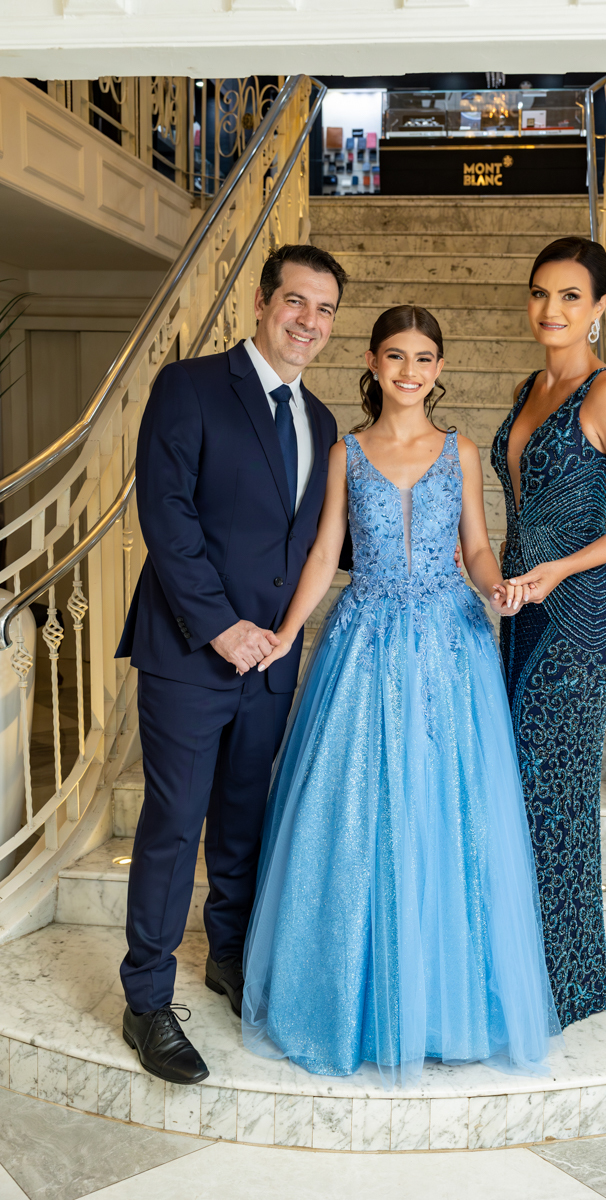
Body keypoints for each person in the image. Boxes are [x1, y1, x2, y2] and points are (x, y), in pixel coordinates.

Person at [241, 305, 561, 1086]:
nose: (409, 371)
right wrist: (285, 633)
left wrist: (496, 587)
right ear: (372, 363)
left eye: (423, 358)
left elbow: (476, 547)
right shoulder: (345, 453)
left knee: (448, 812)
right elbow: (326, 553)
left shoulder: (462, 451)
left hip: (452, 644)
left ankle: (445, 1005)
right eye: (395, 356)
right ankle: (353, 996)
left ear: (439, 368)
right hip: (366, 640)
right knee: (360, 812)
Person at [115, 243, 347, 1084]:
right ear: (261, 301)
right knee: (175, 825)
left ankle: (228, 956)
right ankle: (147, 999)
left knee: (244, 820)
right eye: (296, 301)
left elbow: (314, 542)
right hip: (190, 652)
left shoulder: (323, 422)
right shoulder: (191, 386)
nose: (308, 321)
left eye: (324, 310)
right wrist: (220, 628)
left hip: (271, 661)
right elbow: (166, 514)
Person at [490, 236, 606, 1029]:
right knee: (521, 794)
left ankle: (564, 988)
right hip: (519, 613)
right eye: (540, 293)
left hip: (579, 621)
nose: (551, 309)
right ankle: (522, 969)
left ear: (599, 307)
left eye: (570, 296)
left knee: (555, 800)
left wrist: (562, 566)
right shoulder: (530, 387)